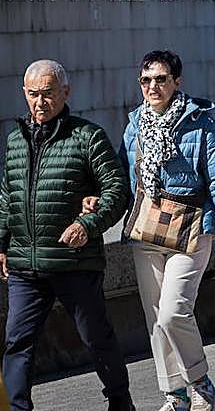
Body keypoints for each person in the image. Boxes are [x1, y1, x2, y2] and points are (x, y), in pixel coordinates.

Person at [1, 61, 133, 411]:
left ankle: (120, 401)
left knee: (95, 337)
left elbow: (118, 190)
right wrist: (1, 244)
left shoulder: (87, 137)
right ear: (24, 94)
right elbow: (6, 197)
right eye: (33, 94)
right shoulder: (15, 140)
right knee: (17, 341)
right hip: (24, 265)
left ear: (65, 93)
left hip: (74, 262)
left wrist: (87, 226)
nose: (40, 102)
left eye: (47, 93)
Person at [119, 50, 215, 411]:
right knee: (156, 316)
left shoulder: (200, 122)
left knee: (174, 311)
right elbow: (125, 177)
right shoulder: (134, 125)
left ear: (177, 81)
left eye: (160, 79)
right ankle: (175, 394)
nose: (152, 87)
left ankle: (199, 380)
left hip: (193, 225)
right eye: (146, 80)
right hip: (147, 225)